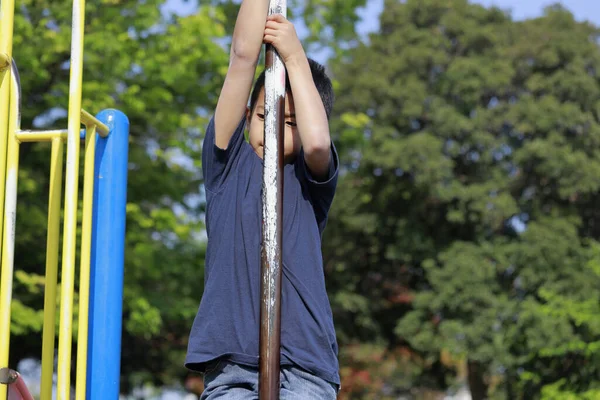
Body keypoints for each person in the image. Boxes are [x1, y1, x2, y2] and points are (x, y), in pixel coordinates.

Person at [184, 0, 340, 398]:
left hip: (305, 365)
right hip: (231, 364)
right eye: (262, 116)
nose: (271, 129)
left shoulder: (310, 182)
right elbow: (242, 57)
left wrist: (294, 56)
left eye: (288, 123)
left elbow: (319, 141)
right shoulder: (226, 163)